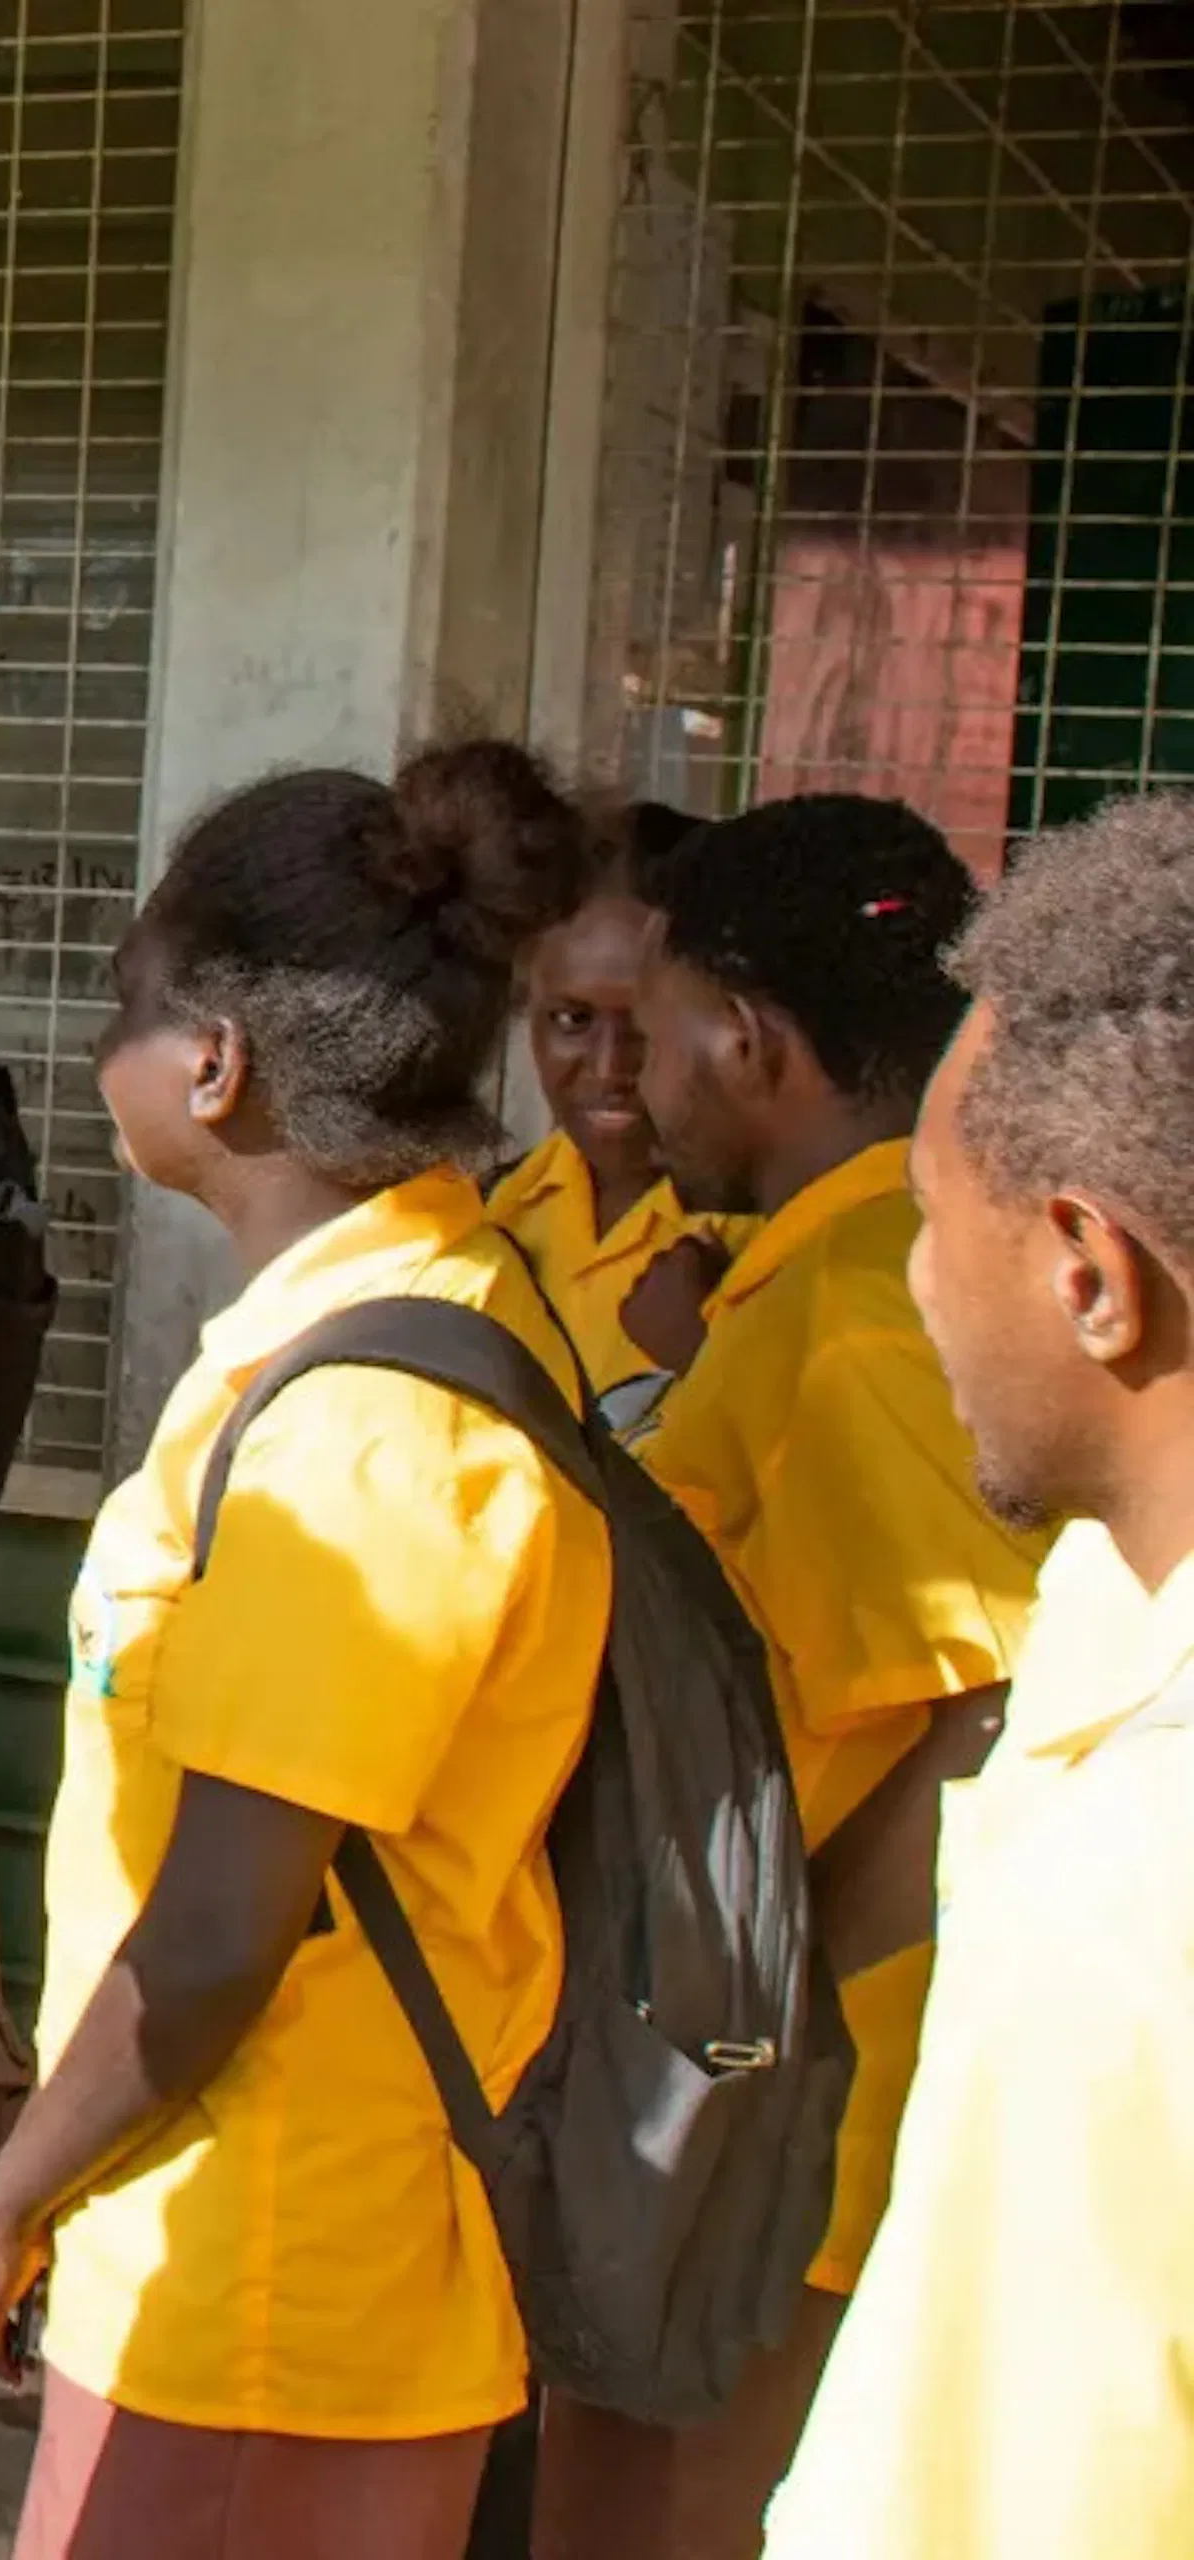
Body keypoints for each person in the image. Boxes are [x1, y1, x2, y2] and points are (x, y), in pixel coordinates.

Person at [0, 740, 610, 2560]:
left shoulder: (370, 1427)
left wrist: (9, 2190)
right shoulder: (379, 1332)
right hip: (246, 2250)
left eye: (126, 1010)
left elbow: (229, 1929)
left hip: (271, 2290)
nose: (104, 1057)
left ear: (216, 1064)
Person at [529, 795, 1045, 2558]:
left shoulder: (862, 1310)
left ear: (744, 1040)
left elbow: (990, 1720)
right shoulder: (826, 1278)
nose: (634, 1075)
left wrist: (774, 2008)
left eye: (658, 1031)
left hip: (810, 2128)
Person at [761, 790, 1194, 2559]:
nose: (922, 1285)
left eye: (934, 1221)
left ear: (1091, 1271)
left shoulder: (1148, 1902)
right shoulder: (1110, 1601)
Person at [480, 802, 747, 1396]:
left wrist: (709, 1360)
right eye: (572, 1019)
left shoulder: (761, 1238)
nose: (609, 1068)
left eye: (646, 1026)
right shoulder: (491, 1214)